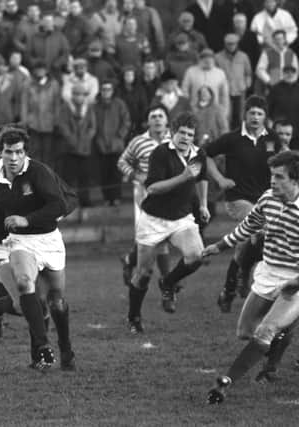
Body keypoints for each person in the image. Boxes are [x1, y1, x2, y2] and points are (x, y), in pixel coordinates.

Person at [0, 126, 74, 370]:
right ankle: (43, 349)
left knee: (55, 300)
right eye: (8, 152)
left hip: (48, 241)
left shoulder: (39, 172)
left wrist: (28, 219)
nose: (13, 158)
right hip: (18, 242)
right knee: (25, 283)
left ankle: (66, 349)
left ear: (25, 153)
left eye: (18, 152)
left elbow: (59, 205)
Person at [204, 150, 299, 403]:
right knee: (245, 332)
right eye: (272, 176)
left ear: (295, 180)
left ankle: (225, 383)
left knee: (266, 330)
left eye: (279, 177)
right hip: (268, 273)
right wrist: (219, 246)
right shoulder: (268, 199)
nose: (272, 181)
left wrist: (296, 282)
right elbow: (248, 226)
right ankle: (283, 332)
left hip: (295, 280)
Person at [127, 112, 210, 332]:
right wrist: (183, 177)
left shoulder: (199, 153)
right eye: (181, 132)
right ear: (173, 133)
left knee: (196, 256)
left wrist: (203, 204)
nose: (185, 137)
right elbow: (152, 188)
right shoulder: (160, 153)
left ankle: (168, 282)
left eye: (189, 134)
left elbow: (202, 178)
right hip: (153, 219)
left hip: (181, 218)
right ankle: (134, 317)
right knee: (143, 273)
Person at [206, 96, 281, 312]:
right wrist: (219, 179)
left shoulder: (272, 139)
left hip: (266, 200)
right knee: (254, 230)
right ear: (244, 115)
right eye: (252, 113)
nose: (255, 117)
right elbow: (205, 154)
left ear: (265, 117)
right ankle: (242, 277)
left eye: (259, 114)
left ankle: (228, 290)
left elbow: (282, 165)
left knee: (247, 243)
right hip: (238, 199)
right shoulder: (232, 139)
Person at [117, 105, 172, 297]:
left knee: (158, 237)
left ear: (167, 120)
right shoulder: (138, 141)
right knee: (155, 237)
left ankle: (128, 261)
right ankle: (168, 282)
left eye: (160, 116)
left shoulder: (174, 140)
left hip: (168, 194)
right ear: (148, 121)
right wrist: (135, 175)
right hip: (144, 195)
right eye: (153, 116)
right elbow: (122, 161)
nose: (157, 119)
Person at [93, 80, 131, 206]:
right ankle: (106, 198)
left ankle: (116, 197)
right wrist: (98, 139)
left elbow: (126, 121)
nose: (106, 92)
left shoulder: (119, 104)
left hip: (116, 144)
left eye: (108, 89)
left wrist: (120, 136)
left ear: (112, 91)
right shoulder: (96, 106)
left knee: (116, 173)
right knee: (104, 173)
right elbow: (93, 124)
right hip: (101, 144)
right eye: (104, 89)